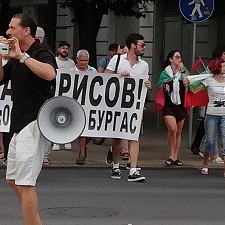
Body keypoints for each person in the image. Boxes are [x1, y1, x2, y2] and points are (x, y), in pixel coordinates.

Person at [0, 13, 56, 225]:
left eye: (12, 28)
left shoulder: (41, 52)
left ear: (26, 31)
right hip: (18, 124)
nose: (8, 32)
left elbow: (50, 74)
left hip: (35, 123)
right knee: (13, 180)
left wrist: (23, 56)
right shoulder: (15, 55)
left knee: (26, 184)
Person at [105, 33, 152, 182]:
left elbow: (144, 82)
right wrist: (119, 75)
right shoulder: (117, 60)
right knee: (118, 136)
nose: (144, 48)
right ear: (133, 46)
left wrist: (147, 85)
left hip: (135, 105)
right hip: (118, 103)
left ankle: (133, 169)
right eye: (142, 45)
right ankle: (116, 166)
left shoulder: (144, 65)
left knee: (134, 136)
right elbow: (104, 78)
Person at [188, 57, 225, 177]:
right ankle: (205, 164)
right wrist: (188, 85)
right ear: (217, 67)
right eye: (223, 66)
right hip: (212, 114)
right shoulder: (209, 80)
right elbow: (195, 91)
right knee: (210, 141)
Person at [190, 46, 225, 156]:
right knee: (207, 127)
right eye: (224, 53)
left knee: (224, 133)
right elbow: (203, 81)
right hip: (211, 103)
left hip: (224, 106)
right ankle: (206, 152)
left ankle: (220, 153)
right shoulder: (211, 70)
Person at [157, 50, 190, 167]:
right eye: (176, 57)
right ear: (171, 59)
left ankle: (175, 156)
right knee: (172, 129)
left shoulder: (184, 71)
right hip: (168, 104)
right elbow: (159, 85)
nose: (179, 59)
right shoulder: (165, 72)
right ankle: (171, 155)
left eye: (180, 57)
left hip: (180, 104)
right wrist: (166, 83)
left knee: (179, 132)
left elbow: (188, 83)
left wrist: (183, 72)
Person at [73, 49, 96, 165]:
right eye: (81, 60)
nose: (83, 63)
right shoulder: (71, 71)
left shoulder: (93, 71)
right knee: (82, 130)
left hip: (90, 104)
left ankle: (83, 148)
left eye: (85, 60)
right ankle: (81, 153)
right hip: (77, 104)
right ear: (77, 60)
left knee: (93, 130)